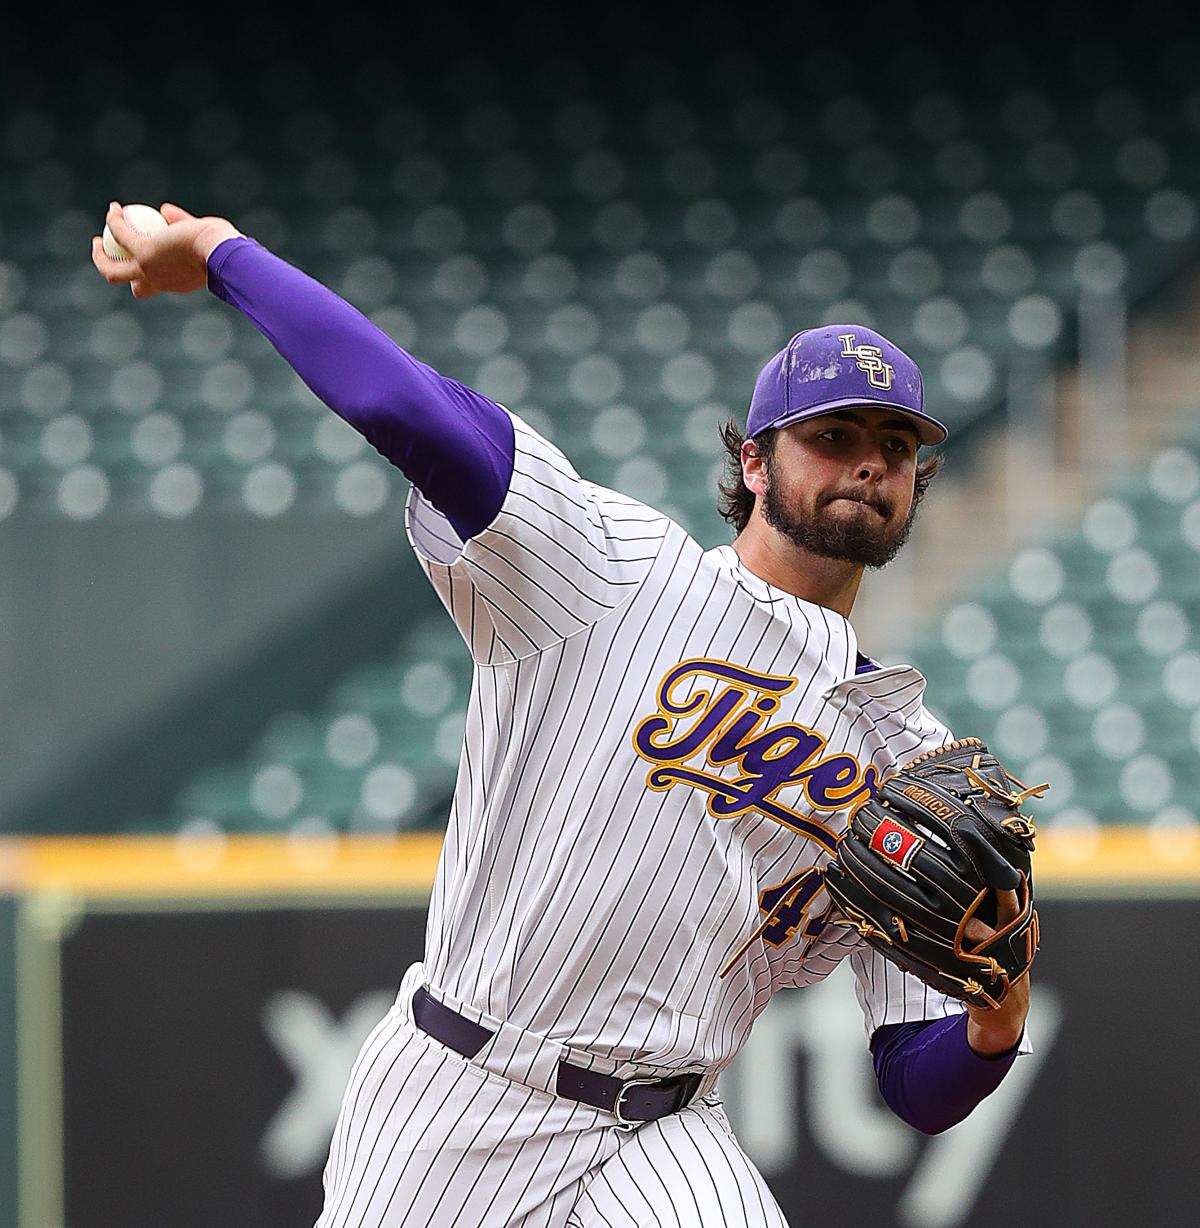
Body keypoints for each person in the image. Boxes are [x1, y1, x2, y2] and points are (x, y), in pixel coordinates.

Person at [92, 202, 1033, 1228]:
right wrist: (228, 256)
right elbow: (412, 410)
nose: (867, 461)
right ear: (755, 462)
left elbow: (913, 1081)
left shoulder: (911, 763)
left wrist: (994, 1023)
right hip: (461, 1091)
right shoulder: (612, 571)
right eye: (833, 433)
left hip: (662, 1132)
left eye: (894, 445)